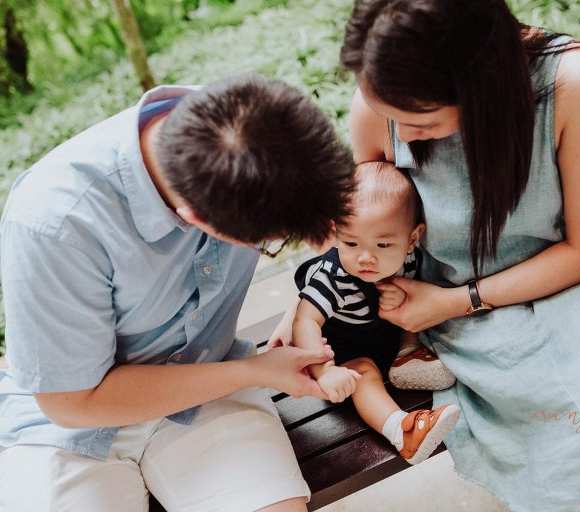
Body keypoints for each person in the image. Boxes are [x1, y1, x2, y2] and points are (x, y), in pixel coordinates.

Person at [340, 1, 580, 511]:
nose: (403, 135)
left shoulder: (572, 82)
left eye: (421, 122)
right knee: (569, 434)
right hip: (448, 303)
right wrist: (314, 297)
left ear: (477, 82)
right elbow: (368, 226)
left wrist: (457, 301)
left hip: (570, 279)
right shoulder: (379, 105)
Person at [0, 74, 356, 512]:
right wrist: (253, 371)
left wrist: (303, 309)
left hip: (210, 383)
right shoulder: (55, 223)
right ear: (195, 220)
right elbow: (71, 403)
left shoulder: (265, 131)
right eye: (269, 245)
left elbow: (343, 232)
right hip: (70, 427)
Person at [290, 161, 459, 465]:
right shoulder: (333, 276)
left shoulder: (408, 259)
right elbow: (305, 320)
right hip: (344, 354)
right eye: (351, 242)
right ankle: (402, 430)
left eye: (382, 244)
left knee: (412, 304)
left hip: (387, 333)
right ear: (336, 232)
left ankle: (408, 354)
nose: (366, 257)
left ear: (412, 238)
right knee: (364, 372)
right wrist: (324, 370)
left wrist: (402, 295)